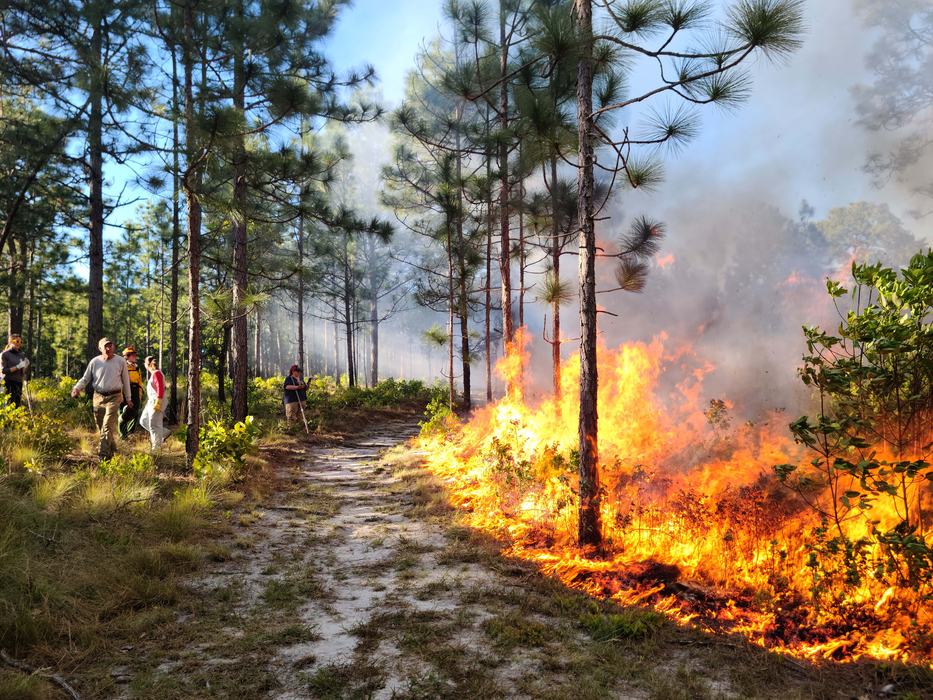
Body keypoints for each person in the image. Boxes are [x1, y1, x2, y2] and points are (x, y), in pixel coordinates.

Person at [71, 338, 132, 461]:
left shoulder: (120, 361)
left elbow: (126, 381)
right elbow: (85, 378)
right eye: (105, 346)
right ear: (100, 349)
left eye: (110, 345)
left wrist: (128, 398)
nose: (108, 348)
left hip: (115, 397)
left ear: (114, 347)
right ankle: (113, 448)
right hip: (98, 397)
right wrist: (77, 388)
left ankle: (103, 455)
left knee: (107, 426)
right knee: (101, 427)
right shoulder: (94, 362)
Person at [139, 355, 170, 451]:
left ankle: (156, 449)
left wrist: (158, 401)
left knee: (154, 425)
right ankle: (164, 433)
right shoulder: (154, 374)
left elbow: (160, 388)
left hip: (156, 401)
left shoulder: (157, 373)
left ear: (146, 365)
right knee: (143, 420)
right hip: (151, 401)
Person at [118, 346, 146, 439]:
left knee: (135, 413)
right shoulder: (122, 367)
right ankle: (123, 435)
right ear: (127, 356)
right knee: (124, 412)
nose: (135, 357)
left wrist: (139, 395)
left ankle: (130, 432)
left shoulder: (137, 368)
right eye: (133, 355)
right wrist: (121, 395)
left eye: (135, 355)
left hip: (135, 392)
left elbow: (140, 383)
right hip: (124, 391)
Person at [0, 334, 29, 407]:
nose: (19, 343)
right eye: (17, 341)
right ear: (10, 342)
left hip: (18, 382)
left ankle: (16, 418)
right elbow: (4, 371)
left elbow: (22, 372)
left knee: (17, 405)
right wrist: (18, 366)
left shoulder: (21, 355)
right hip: (8, 382)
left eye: (20, 342)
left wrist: (25, 366)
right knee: (8, 404)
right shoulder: (5, 354)